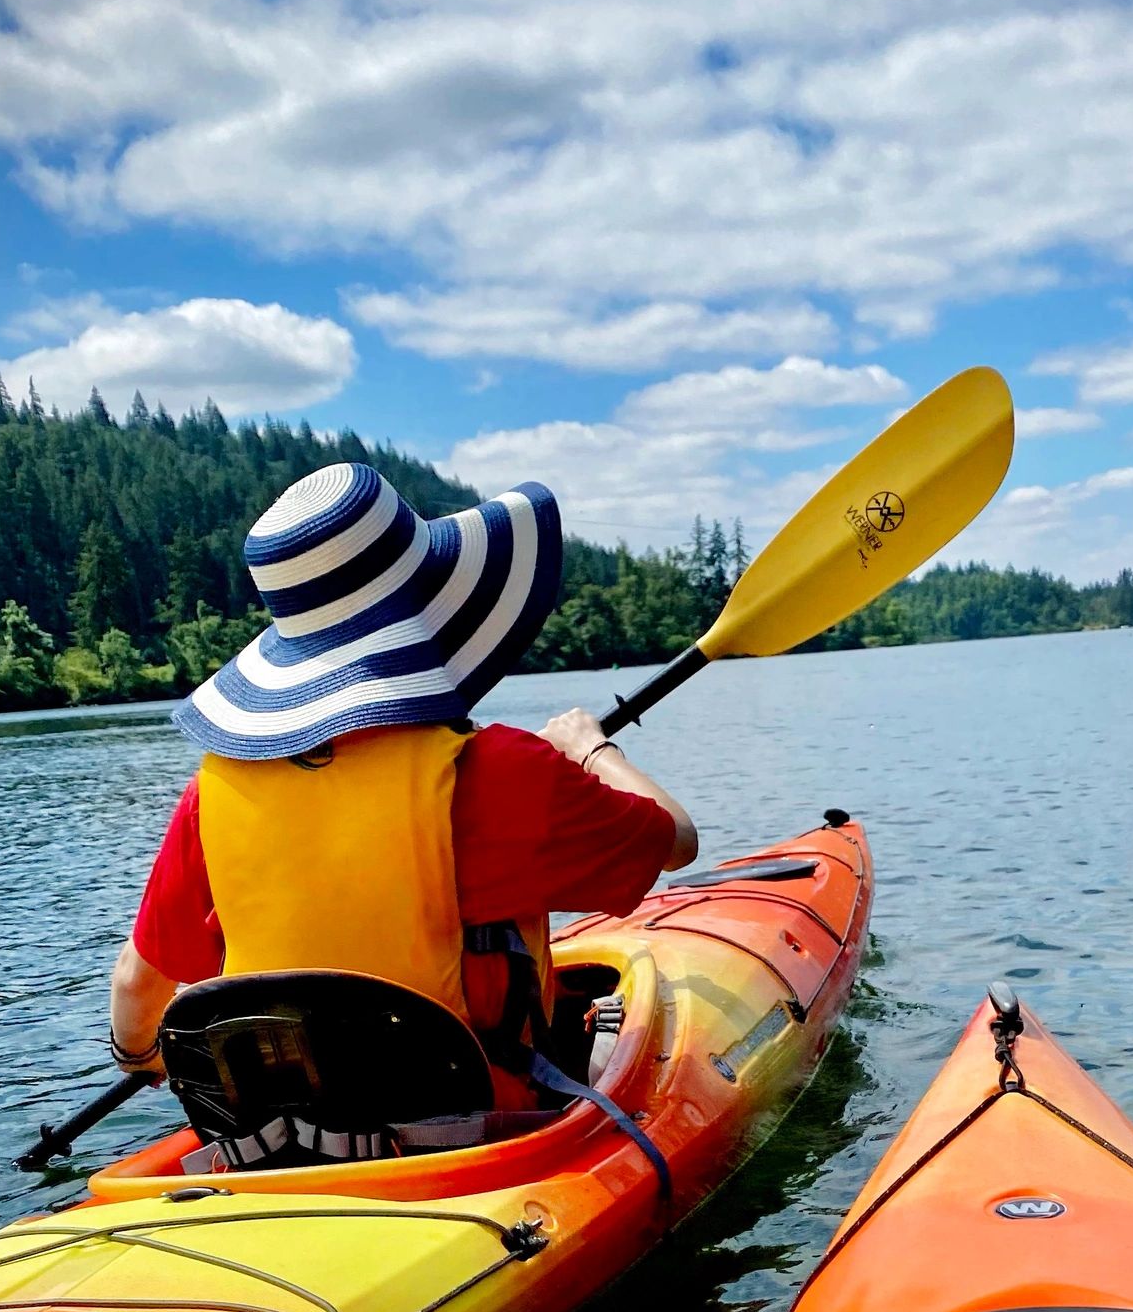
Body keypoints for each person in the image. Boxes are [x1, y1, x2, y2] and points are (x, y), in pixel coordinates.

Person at [109, 462, 698, 1125]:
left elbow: (138, 985)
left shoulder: (213, 793)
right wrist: (590, 747)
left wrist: (141, 1060)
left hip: (279, 1147)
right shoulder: (504, 769)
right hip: (478, 1139)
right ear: (431, 611)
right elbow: (675, 841)